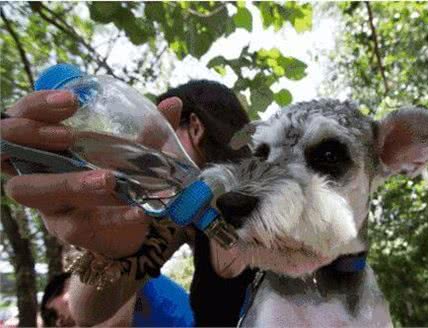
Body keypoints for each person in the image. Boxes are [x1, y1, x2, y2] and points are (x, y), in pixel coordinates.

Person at [1, 80, 256, 326]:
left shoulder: (278, 190)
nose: (145, 149)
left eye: (162, 134)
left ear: (196, 128)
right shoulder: (177, 216)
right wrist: (109, 251)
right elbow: (86, 310)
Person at [41, 272, 194, 327]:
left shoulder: (110, 276)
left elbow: (117, 323)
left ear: (68, 286)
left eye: (53, 314)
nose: (58, 323)